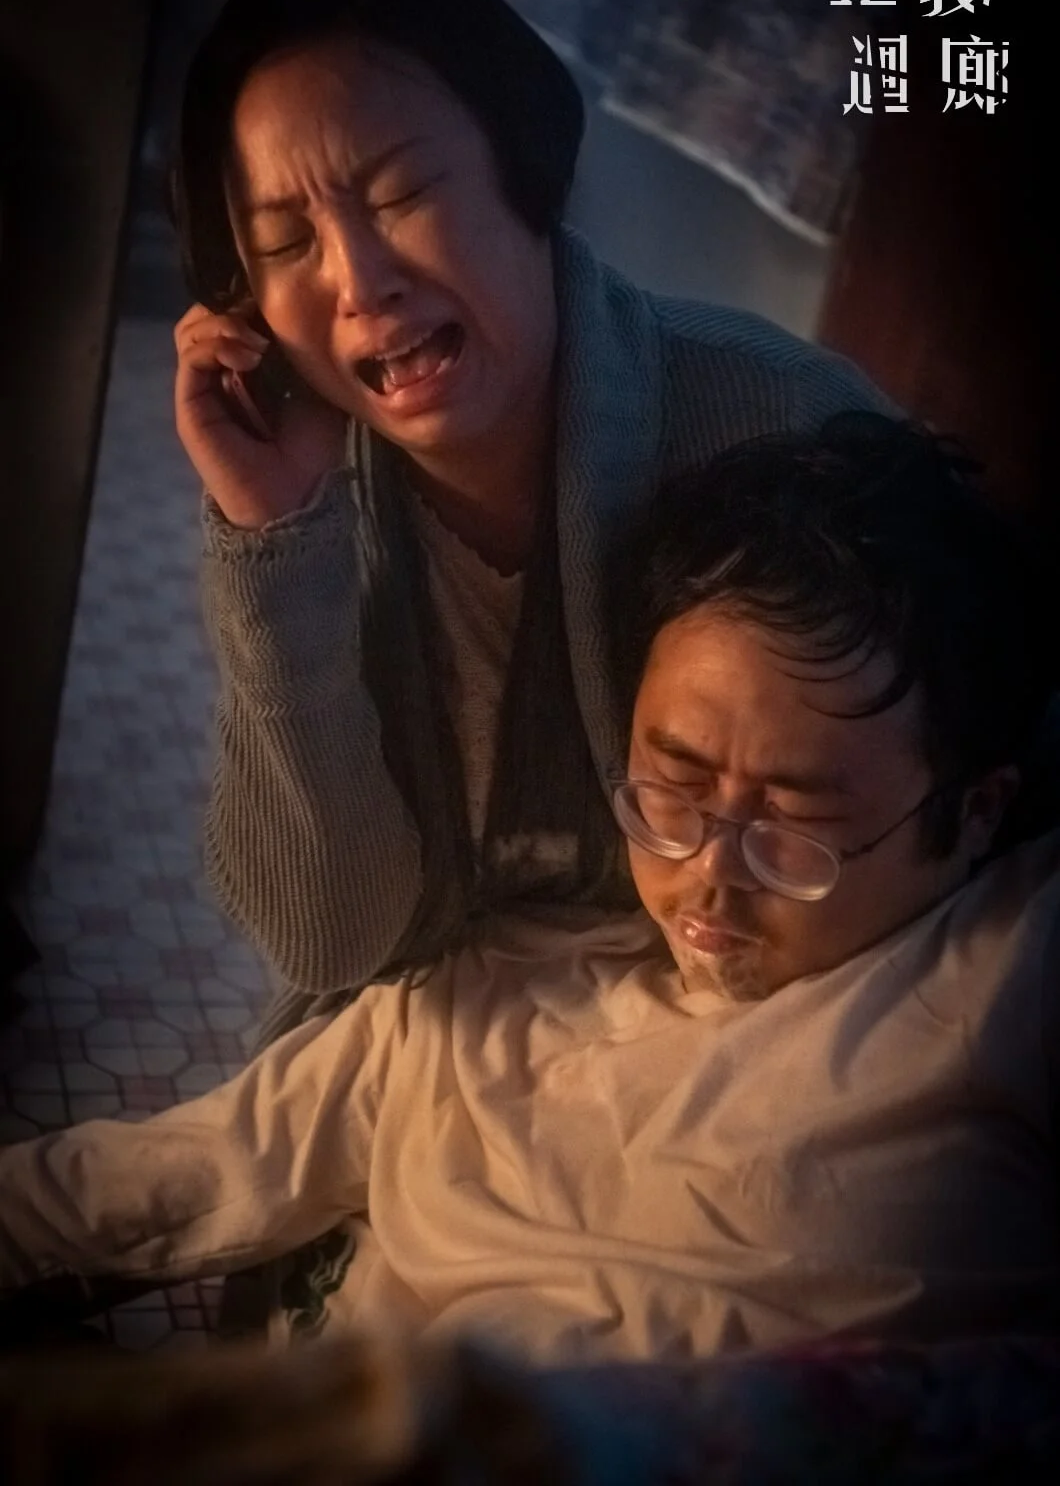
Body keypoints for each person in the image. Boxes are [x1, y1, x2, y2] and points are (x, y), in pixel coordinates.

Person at [2, 416, 1057, 1359]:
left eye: (796, 829)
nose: (708, 875)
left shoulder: (995, 973)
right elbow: (187, 1166)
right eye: (674, 788)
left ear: (974, 813)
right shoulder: (494, 994)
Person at [172, 0, 894, 1041]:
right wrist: (271, 535)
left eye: (400, 193)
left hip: (736, 1045)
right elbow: (329, 942)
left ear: (524, 169)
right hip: (431, 1050)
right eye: (285, 242)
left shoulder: (789, 422)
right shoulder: (300, 506)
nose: (359, 282)